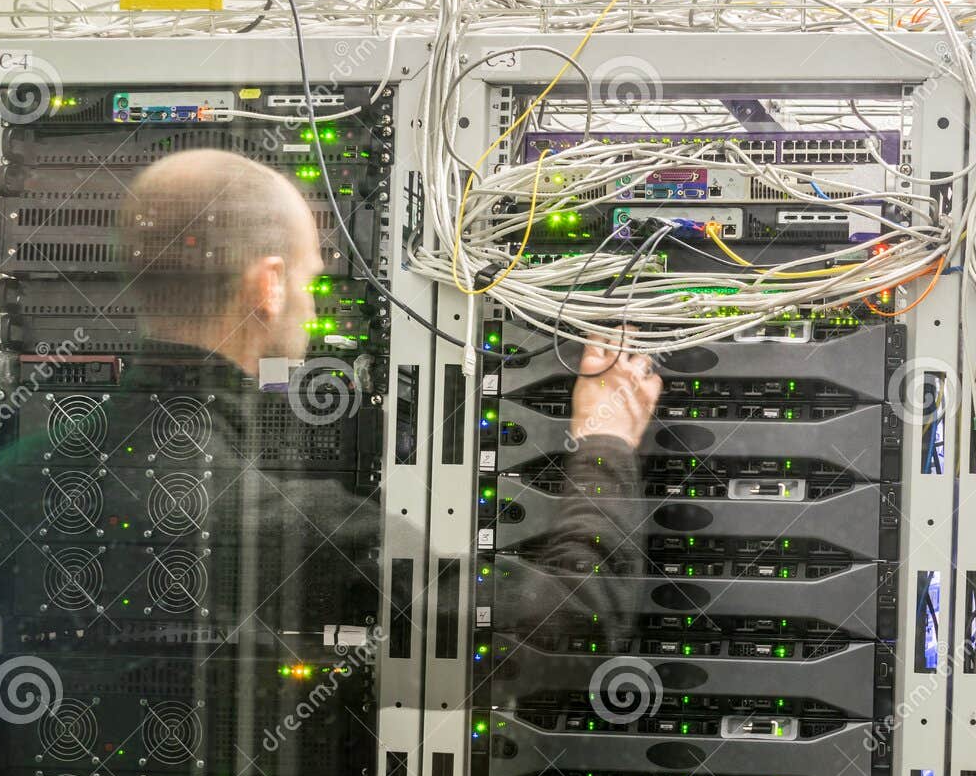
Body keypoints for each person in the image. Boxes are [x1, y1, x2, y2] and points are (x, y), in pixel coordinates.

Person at [115, 148, 661, 638]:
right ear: (270, 285)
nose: (312, 307)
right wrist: (604, 443)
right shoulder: (284, 526)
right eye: (310, 281)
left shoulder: (66, 454)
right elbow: (579, 614)